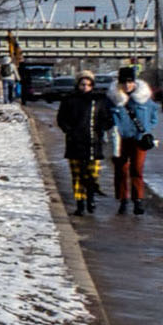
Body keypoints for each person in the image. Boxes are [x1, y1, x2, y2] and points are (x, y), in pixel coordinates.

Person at [111, 63, 161, 216]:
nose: (127, 85)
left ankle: (138, 200)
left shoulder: (144, 99)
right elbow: (106, 117)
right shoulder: (114, 99)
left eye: (130, 81)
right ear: (119, 83)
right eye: (124, 82)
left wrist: (146, 129)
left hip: (139, 140)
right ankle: (123, 200)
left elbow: (154, 117)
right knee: (121, 170)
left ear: (134, 82)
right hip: (120, 140)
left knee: (137, 170)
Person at [55, 69, 108, 215]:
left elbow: (106, 118)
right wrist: (69, 131)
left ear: (92, 85)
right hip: (75, 142)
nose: (85, 87)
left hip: (93, 142)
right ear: (78, 84)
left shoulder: (98, 100)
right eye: (82, 84)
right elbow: (61, 119)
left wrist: (100, 130)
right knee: (77, 174)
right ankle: (80, 204)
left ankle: (91, 199)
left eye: (88, 84)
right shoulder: (69, 100)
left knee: (92, 174)